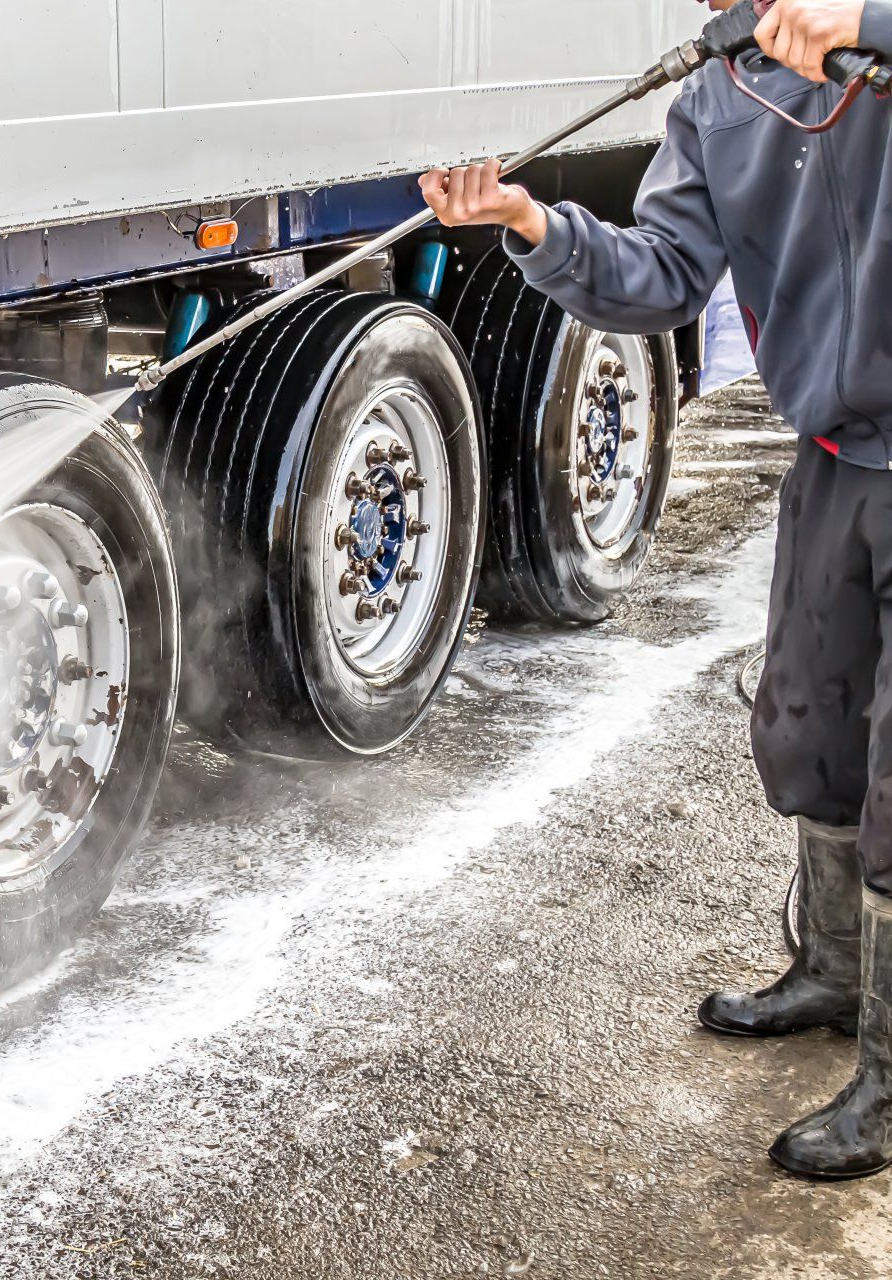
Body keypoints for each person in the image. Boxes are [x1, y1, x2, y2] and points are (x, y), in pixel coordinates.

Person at [420, 0, 892, 1180]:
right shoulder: (717, 98)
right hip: (838, 462)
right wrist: (534, 225)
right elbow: (664, 275)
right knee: (808, 732)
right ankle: (837, 970)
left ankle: (891, 1079)